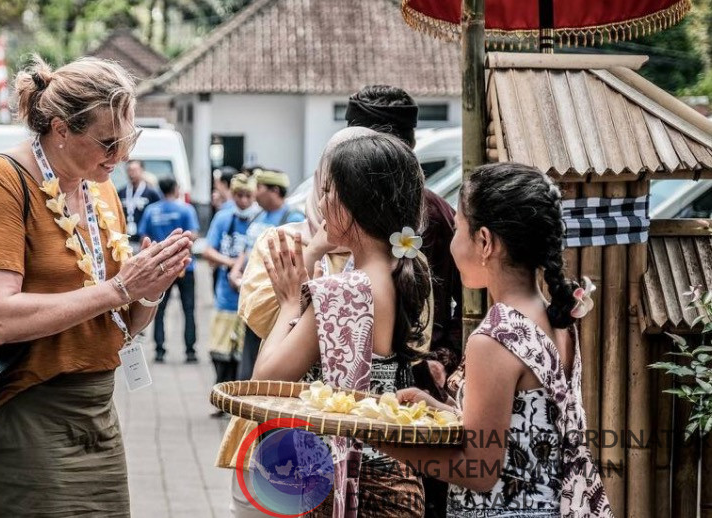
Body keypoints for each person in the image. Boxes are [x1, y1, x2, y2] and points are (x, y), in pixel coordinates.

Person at [0, 55, 193, 518]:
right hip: (26, 411)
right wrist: (120, 288)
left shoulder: (100, 190)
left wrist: (152, 288)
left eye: (129, 139)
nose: (122, 156)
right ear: (60, 129)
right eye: (108, 141)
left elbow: (122, 327)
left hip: (98, 411)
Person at [381, 163, 612, 518]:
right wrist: (440, 410)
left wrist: (383, 440)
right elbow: (519, 432)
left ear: (485, 241)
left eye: (459, 228)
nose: (454, 240)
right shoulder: (557, 319)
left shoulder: (494, 338)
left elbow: (479, 471)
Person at [254, 133, 432, 517]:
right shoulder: (403, 271)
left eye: (329, 191)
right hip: (395, 475)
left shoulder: (345, 289)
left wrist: (288, 303)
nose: (321, 201)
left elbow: (265, 381)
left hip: (353, 484)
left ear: (351, 206)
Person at [346, 85, 462, 362]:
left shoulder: (433, 214)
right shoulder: (341, 212)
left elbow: (472, 296)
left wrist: (444, 356)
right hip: (351, 364)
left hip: (418, 377)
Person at [228, 168, 305, 381]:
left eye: (259, 187)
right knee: (248, 353)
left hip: (273, 299)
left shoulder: (293, 217)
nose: (254, 192)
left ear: (274, 190)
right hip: (254, 296)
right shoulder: (259, 215)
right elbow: (247, 249)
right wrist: (236, 270)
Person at [202, 173, 259, 414]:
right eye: (239, 196)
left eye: (248, 196)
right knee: (220, 352)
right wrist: (231, 262)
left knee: (242, 356)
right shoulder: (223, 217)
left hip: (251, 299)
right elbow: (207, 250)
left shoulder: (260, 219)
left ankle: (238, 401)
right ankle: (221, 399)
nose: (243, 201)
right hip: (226, 297)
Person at [138, 177, 199, 364]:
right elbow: (193, 235)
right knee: (188, 309)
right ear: (176, 188)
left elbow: (144, 236)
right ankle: (190, 351)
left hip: (161, 267)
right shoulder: (186, 209)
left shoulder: (151, 210)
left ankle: (159, 350)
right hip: (185, 266)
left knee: (158, 309)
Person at [118, 159, 161, 244]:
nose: (131, 173)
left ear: (142, 170)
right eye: (129, 170)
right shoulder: (121, 192)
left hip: (145, 238)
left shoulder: (151, 192)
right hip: (126, 238)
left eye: (134, 170)